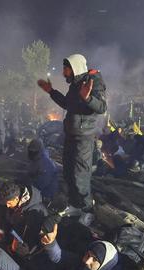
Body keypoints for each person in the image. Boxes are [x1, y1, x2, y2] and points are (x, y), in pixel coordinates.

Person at [38, 53, 107, 226]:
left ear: (75, 68)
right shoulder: (76, 84)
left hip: (83, 137)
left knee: (80, 174)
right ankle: (75, 204)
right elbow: (68, 104)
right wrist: (51, 92)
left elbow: (101, 107)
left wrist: (88, 98)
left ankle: (86, 209)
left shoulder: (93, 81)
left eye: (66, 69)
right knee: (69, 171)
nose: (64, 73)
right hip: (71, 134)